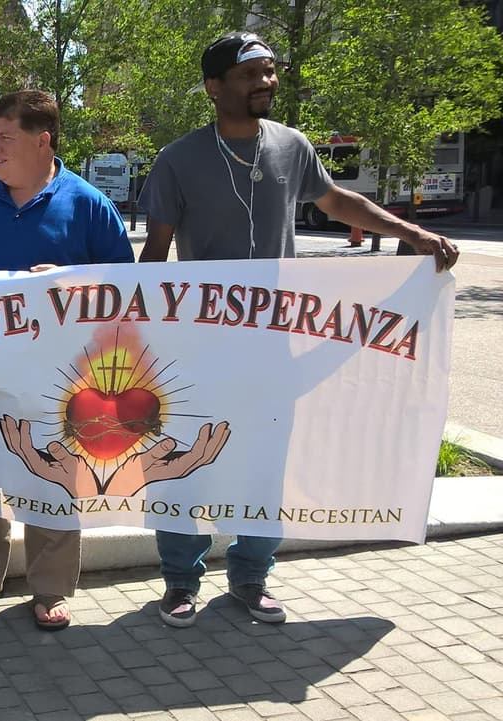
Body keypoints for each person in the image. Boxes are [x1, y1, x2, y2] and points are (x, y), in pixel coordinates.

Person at [137, 30, 459, 629]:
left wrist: (411, 235)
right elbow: (154, 254)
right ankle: (180, 582)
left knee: (265, 462)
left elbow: (337, 201)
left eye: (270, 70)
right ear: (214, 87)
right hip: (198, 348)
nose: (267, 81)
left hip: (274, 348)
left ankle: (250, 579)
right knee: (182, 461)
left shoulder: (292, 146)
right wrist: (131, 328)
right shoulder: (178, 159)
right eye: (251, 73)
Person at [0, 90, 134, 631]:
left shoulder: (89, 204)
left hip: (61, 376)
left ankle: (50, 589)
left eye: (5, 138)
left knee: (54, 476)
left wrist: (70, 283)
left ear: (42, 140)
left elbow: (126, 291)